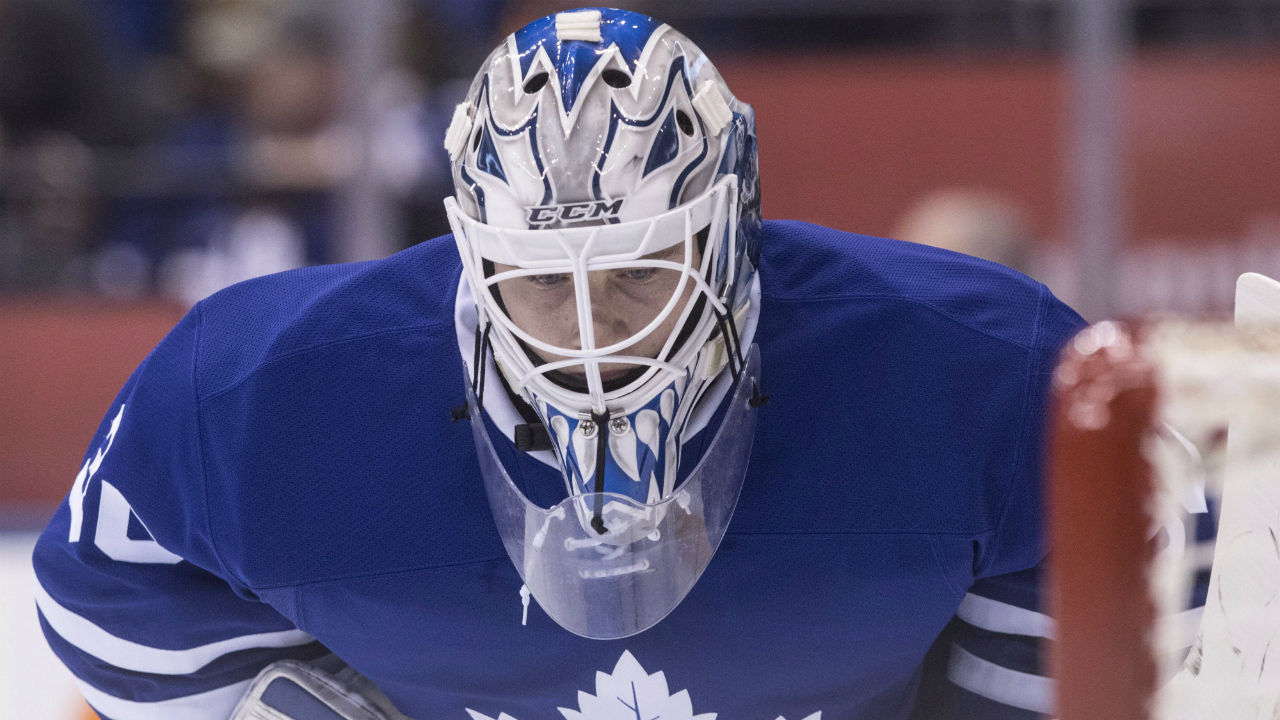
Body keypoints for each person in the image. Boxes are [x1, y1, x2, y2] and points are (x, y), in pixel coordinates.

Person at [32, 9, 1085, 720]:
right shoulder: (245, 397)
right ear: (471, 253)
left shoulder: (989, 371)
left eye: (635, 269)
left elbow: (1145, 597)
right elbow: (111, 617)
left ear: (729, 231)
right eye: (539, 279)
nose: (590, 333)